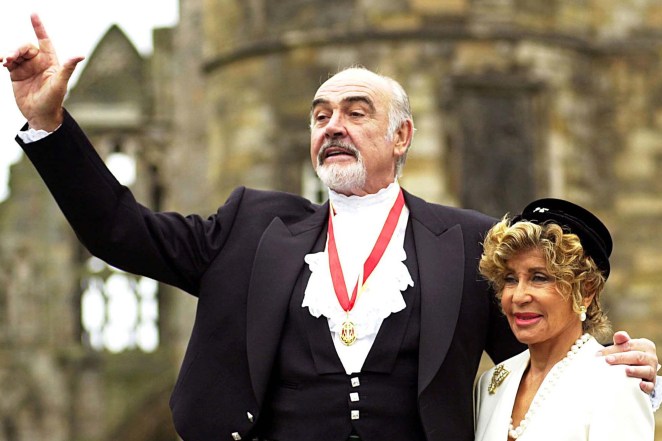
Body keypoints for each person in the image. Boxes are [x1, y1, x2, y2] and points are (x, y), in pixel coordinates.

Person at [2, 14, 659, 441]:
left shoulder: (465, 242)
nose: (332, 125)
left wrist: (616, 367)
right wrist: (50, 128)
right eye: (320, 115)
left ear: (402, 136)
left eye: (355, 111)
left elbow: (536, 356)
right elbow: (121, 231)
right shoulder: (251, 228)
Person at [475, 199, 655, 440]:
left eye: (539, 278)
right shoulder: (492, 383)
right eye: (510, 279)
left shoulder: (615, 383)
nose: (518, 296)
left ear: (586, 291)